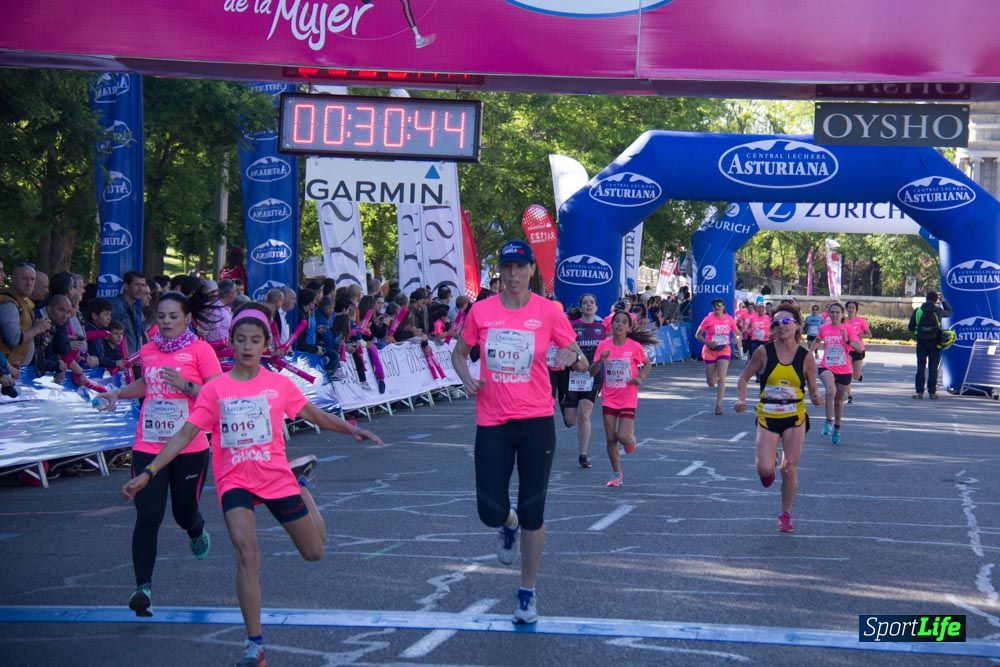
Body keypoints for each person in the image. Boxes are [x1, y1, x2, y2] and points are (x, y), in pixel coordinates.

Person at [122, 303, 383, 667]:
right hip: (235, 482)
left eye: (255, 340)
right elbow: (185, 433)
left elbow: (316, 415)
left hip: (276, 477)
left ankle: (301, 484)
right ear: (231, 343)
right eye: (241, 339)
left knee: (314, 552)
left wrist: (353, 430)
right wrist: (148, 472)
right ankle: (254, 645)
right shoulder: (215, 390)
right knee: (247, 556)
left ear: (265, 346)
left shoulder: (278, 386)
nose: (247, 346)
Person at [451, 240, 588, 625]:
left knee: (533, 511)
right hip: (492, 420)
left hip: (536, 421)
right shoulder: (482, 311)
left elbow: (582, 359)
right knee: (489, 510)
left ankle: (526, 593)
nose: (512, 276)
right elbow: (459, 353)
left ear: (531, 271)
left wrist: (572, 356)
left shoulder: (548, 312)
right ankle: (505, 525)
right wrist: (466, 379)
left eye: (519, 268)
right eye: (506, 268)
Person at [99, 290, 224, 616]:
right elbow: (147, 384)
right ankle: (143, 587)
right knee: (148, 515)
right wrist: (120, 393)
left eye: (173, 317)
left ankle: (196, 528)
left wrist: (185, 386)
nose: (166, 322)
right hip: (148, 444)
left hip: (189, 446)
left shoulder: (202, 351)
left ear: (187, 319)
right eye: (161, 316)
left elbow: (216, 396)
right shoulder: (148, 350)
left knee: (183, 513)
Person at [735, 305, 822, 532]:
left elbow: (812, 388)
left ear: (796, 325)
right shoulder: (763, 352)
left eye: (786, 322)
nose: (781, 326)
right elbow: (744, 378)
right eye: (776, 323)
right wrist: (741, 399)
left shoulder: (806, 357)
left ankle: (786, 514)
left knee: (790, 468)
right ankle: (768, 462)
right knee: (765, 470)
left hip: (795, 415)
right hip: (768, 416)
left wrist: (816, 397)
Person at [590, 310, 655, 488]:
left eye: (623, 322)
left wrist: (640, 378)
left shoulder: (634, 347)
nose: (619, 324)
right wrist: (599, 361)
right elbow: (592, 372)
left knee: (623, 436)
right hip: (609, 397)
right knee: (610, 438)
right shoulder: (603, 345)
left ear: (628, 327)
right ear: (611, 325)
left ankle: (630, 439)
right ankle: (616, 474)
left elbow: (647, 364)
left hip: (627, 397)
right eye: (616, 321)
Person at [562, 294, 607, 469]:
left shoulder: (602, 328)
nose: (588, 305)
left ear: (596, 307)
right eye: (585, 303)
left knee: (584, 414)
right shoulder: (572, 327)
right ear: (580, 308)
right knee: (570, 420)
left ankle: (583, 454)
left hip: (592, 376)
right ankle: (564, 402)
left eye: (592, 303)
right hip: (573, 375)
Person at [809, 303, 862, 444]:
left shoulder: (848, 329)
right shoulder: (824, 328)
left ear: (842, 314)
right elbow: (817, 340)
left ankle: (837, 428)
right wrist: (808, 354)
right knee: (830, 390)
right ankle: (828, 421)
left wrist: (847, 340)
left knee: (839, 401)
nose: (834, 315)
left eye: (837, 312)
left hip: (844, 370)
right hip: (827, 366)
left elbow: (859, 349)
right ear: (828, 313)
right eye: (832, 312)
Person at [695, 298, 743, 415]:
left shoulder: (729, 319)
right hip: (710, 351)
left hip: (724, 350)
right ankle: (714, 374)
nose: (717, 307)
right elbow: (698, 335)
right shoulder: (708, 319)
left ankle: (719, 405)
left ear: (723, 306)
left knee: (722, 378)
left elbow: (738, 334)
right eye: (715, 305)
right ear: (713, 307)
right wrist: (708, 342)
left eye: (719, 305)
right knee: (711, 383)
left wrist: (735, 340)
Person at [0, 262, 50, 371]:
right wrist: (37, 329)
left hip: (17, 369)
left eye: (32, 279)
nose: (29, 283)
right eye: (24, 278)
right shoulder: (9, 303)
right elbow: (14, 339)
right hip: (6, 371)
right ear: (13, 279)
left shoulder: (23, 301)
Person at [908, 290, 952, 399]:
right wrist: (943, 301)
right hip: (935, 343)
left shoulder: (918, 311)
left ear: (926, 299)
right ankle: (932, 392)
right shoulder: (938, 310)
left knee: (921, 367)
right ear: (936, 299)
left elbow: (911, 327)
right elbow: (949, 312)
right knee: (933, 368)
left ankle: (919, 392)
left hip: (921, 343)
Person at [111, 271, 148, 357]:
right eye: (137, 285)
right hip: (120, 361)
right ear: (126, 286)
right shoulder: (116, 306)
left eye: (143, 285)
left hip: (135, 360)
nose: (140, 289)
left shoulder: (135, 309)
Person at [843, 301, 872, 404]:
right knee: (847, 373)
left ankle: (859, 375)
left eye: (853, 308)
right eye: (849, 307)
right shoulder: (843, 321)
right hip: (846, 350)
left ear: (856, 310)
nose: (851, 309)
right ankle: (849, 395)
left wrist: (860, 335)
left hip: (858, 349)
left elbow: (869, 334)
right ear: (846, 309)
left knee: (855, 376)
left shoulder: (861, 321)